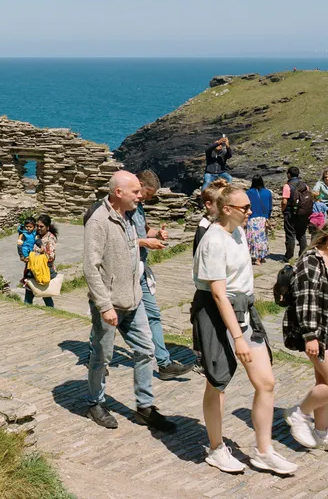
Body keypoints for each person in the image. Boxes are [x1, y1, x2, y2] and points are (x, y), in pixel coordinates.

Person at [192, 185, 296, 476]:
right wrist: (237, 336)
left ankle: (264, 452)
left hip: (243, 310)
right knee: (217, 382)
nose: (251, 211)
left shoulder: (237, 232)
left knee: (266, 382)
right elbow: (217, 294)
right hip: (216, 314)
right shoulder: (213, 240)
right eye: (245, 208)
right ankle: (215, 448)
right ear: (227, 209)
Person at [81, 171, 176, 432]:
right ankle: (94, 403)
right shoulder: (98, 221)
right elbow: (90, 267)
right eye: (135, 191)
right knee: (102, 355)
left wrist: (149, 239)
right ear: (118, 193)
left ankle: (144, 406)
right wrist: (104, 305)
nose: (140, 195)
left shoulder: (128, 216)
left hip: (134, 301)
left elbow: (131, 244)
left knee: (146, 350)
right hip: (110, 304)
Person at [283, 204, 328, 458]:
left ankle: (323, 434)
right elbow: (306, 301)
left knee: (324, 383)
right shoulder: (311, 259)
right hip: (319, 328)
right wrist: (311, 335)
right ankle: (299, 413)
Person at [131, 171, 191, 379]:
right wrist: (145, 242)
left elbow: (143, 230)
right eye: (147, 194)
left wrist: (156, 234)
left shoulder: (138, 207)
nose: (146, 199)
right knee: (110, 321)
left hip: (140, 269)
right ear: (138, 184)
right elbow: (118, 240)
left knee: (154, 314)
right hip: (124, 273)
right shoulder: (121, 207)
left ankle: (164, 364)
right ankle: (96, 356)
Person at [24, 214, 59, 307]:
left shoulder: (50, 238)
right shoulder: (36, 236)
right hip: (33, 270)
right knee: (29, 293)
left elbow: (50, 257)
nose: (38, 228)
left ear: (47, 227)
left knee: (45, 295)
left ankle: (52, 312)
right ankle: (27, 311)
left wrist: (37, 255)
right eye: (37, 226)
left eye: (41, 226)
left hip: (44, 271)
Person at [282, 167, 312, 261]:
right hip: (303, 213)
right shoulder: (305, 185)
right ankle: (302, 255)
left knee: (290, 234)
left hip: (290, 213)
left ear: (289, 174)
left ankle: (289, 256)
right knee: (302, 234)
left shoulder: (287, 186)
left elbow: (284, 201)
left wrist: (283, 210)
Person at [193, 178, 228, 255]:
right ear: (209, 205)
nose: (225, 206)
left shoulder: (223, 223)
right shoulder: (203, 228)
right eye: (220, 203)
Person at [245, 175, 273, 265]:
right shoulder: (268, 193)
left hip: (252, 218)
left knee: (253, 238)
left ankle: (255, 257)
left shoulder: (249, 193)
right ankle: (261, 256)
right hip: (263, 218)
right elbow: (270, 207)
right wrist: (267, 217)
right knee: (262, 238)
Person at [17, 216, 37, 286]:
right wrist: (21, 255)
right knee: (27, 266)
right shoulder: (22, 234)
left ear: (34, 227)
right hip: (25, 252)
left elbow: (37, 241)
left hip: (32, 252)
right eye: (27, 226)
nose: (28, 228)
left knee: (32, 266)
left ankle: (32, 279)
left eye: (30, 227)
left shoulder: (34, 233)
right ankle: (25, 279)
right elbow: (19, 245)